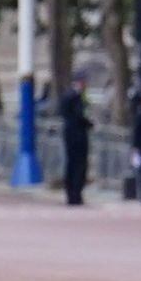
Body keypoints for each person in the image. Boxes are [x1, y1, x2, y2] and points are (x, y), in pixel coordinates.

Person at [59, 77, 93, 205]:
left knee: (73, 164)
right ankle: (75, 194)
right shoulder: (75, 97)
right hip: (76, 134)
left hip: (72, 133)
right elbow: (79, 115)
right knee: (78, 165)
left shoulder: (70, 96)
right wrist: (88, 123)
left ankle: (73, 193)